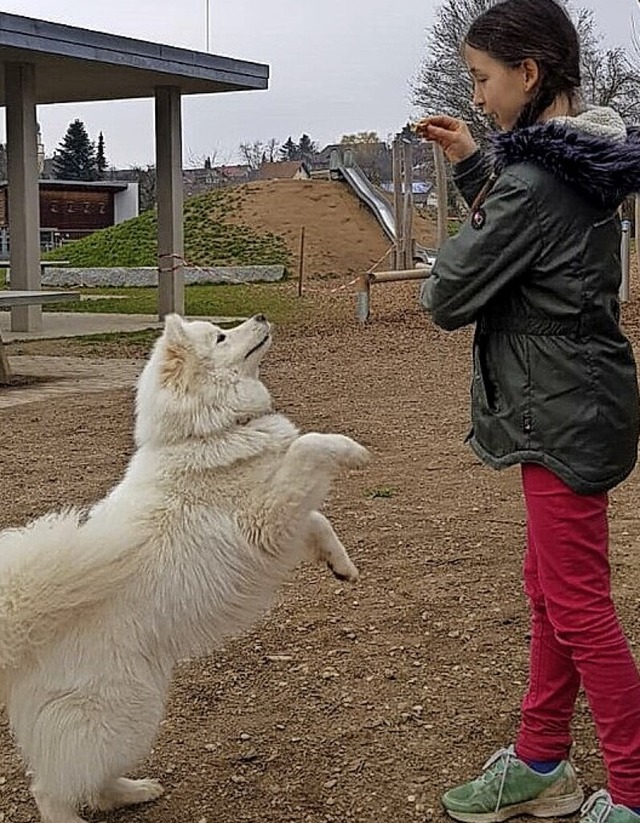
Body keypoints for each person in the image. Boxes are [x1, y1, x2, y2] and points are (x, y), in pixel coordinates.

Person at [415, 1, 640, 822]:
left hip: (561, 406)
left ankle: (634, 788)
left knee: (575, 601)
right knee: (552, 589)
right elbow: (531, 240)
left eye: (481, 79)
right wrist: (478, 167)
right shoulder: (584, 159)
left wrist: (479, 196)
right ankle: (542, 758)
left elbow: (448, 292)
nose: (476, 96)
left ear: (529, 75)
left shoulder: (543, 179)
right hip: (571, 398)